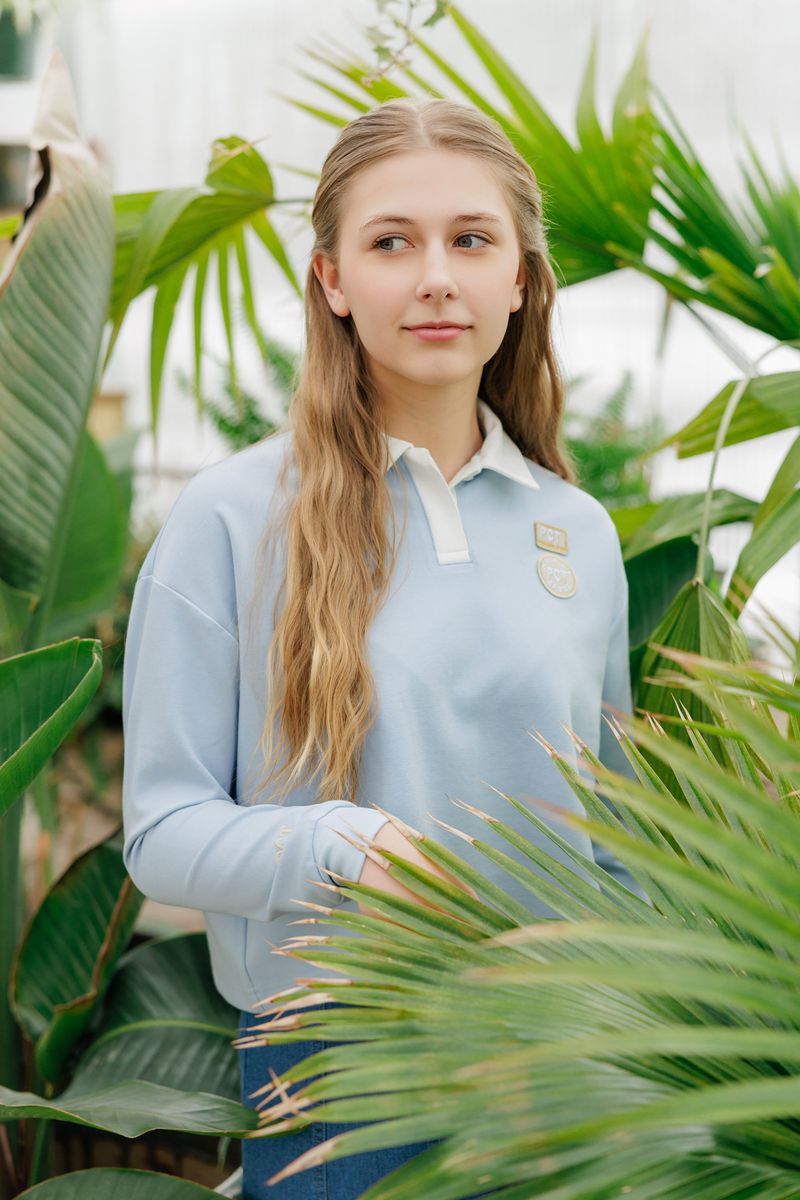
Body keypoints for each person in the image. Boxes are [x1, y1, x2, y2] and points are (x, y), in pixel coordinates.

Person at [121, 96, 651, 1200]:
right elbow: (161, 836)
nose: (434, 279)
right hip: (341, 1075)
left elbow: (609, 847)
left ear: (519, 276)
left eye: (470, 240)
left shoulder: (578, 533)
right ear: (329, 279)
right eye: (389, 243)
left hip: (562, 1071)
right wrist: (346, 846)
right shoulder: (227, 517)